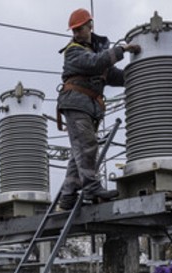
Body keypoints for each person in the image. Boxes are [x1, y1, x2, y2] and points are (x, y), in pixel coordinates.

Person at [56, 8, 141, 210]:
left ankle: (68, 196)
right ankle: (92, 188)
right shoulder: (74, 51)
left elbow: (112, 75)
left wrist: (139, 72)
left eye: (80, 29)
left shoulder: (94, 52)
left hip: (86, 107)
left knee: (80, 151)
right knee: (87, 145)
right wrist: (122, 50)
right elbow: (95, 63)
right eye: (74, 30)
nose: (76, 33)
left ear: (90, 26)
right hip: (76, 104)